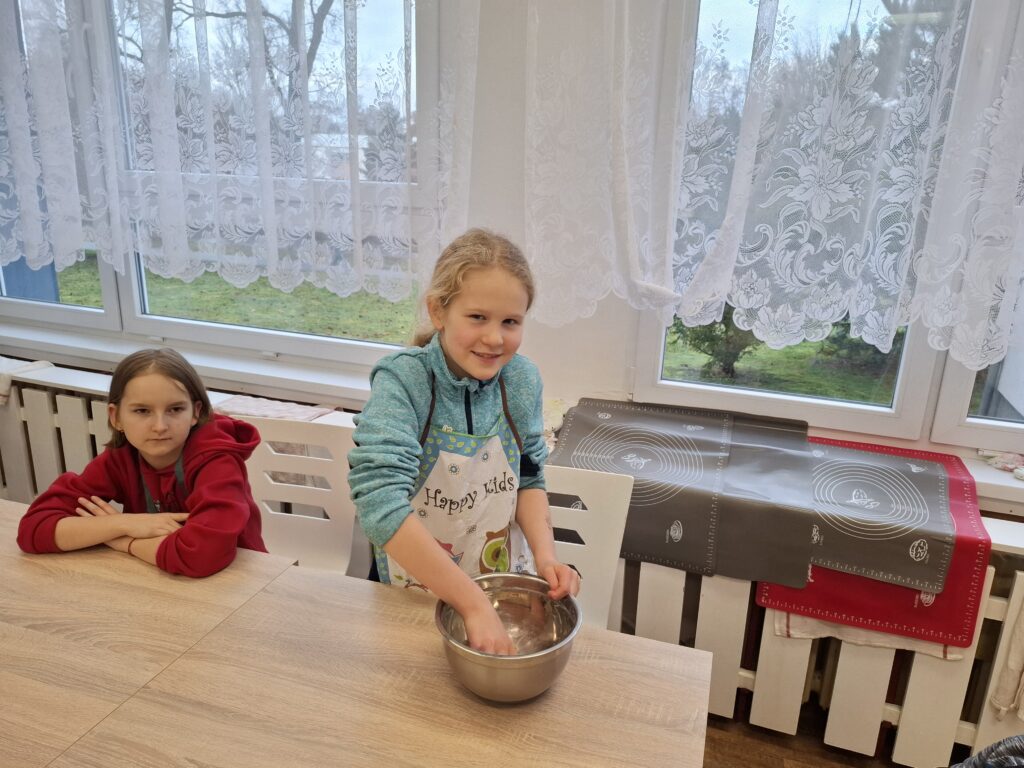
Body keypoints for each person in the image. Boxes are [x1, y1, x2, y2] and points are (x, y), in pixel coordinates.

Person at [348, 228, 580, 655]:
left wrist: (546, 557)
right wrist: (471, 604)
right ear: (439, 311)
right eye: (477, 317)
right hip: (408, 594)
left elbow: (529, 477)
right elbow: (379, 504)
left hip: (495, 587)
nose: (495, 338)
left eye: (510, 322)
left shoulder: (522, 381)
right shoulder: (404, 381)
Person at [17, 348, 266, 577]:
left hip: (241, 581)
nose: (160, 426)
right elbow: (33, 530)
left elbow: (201, 555)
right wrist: (123, 523)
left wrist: (125, 542)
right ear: (116, 417)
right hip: (157, 577)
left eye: (175, 409)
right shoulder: (121, 458)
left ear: (195, 412)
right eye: (142, 411)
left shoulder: (218, 462)